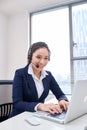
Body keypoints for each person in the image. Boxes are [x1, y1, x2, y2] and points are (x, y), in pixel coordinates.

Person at [10, 41, 69, 118]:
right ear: (30, 57)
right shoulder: (20, 73)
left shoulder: (48, 75)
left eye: (46, 58)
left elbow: (60, 94)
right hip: (20, 117)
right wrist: (40, 106)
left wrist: (62, 100)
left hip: (38, 116)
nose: (42, 62)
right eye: (38, 57)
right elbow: (17, 103)